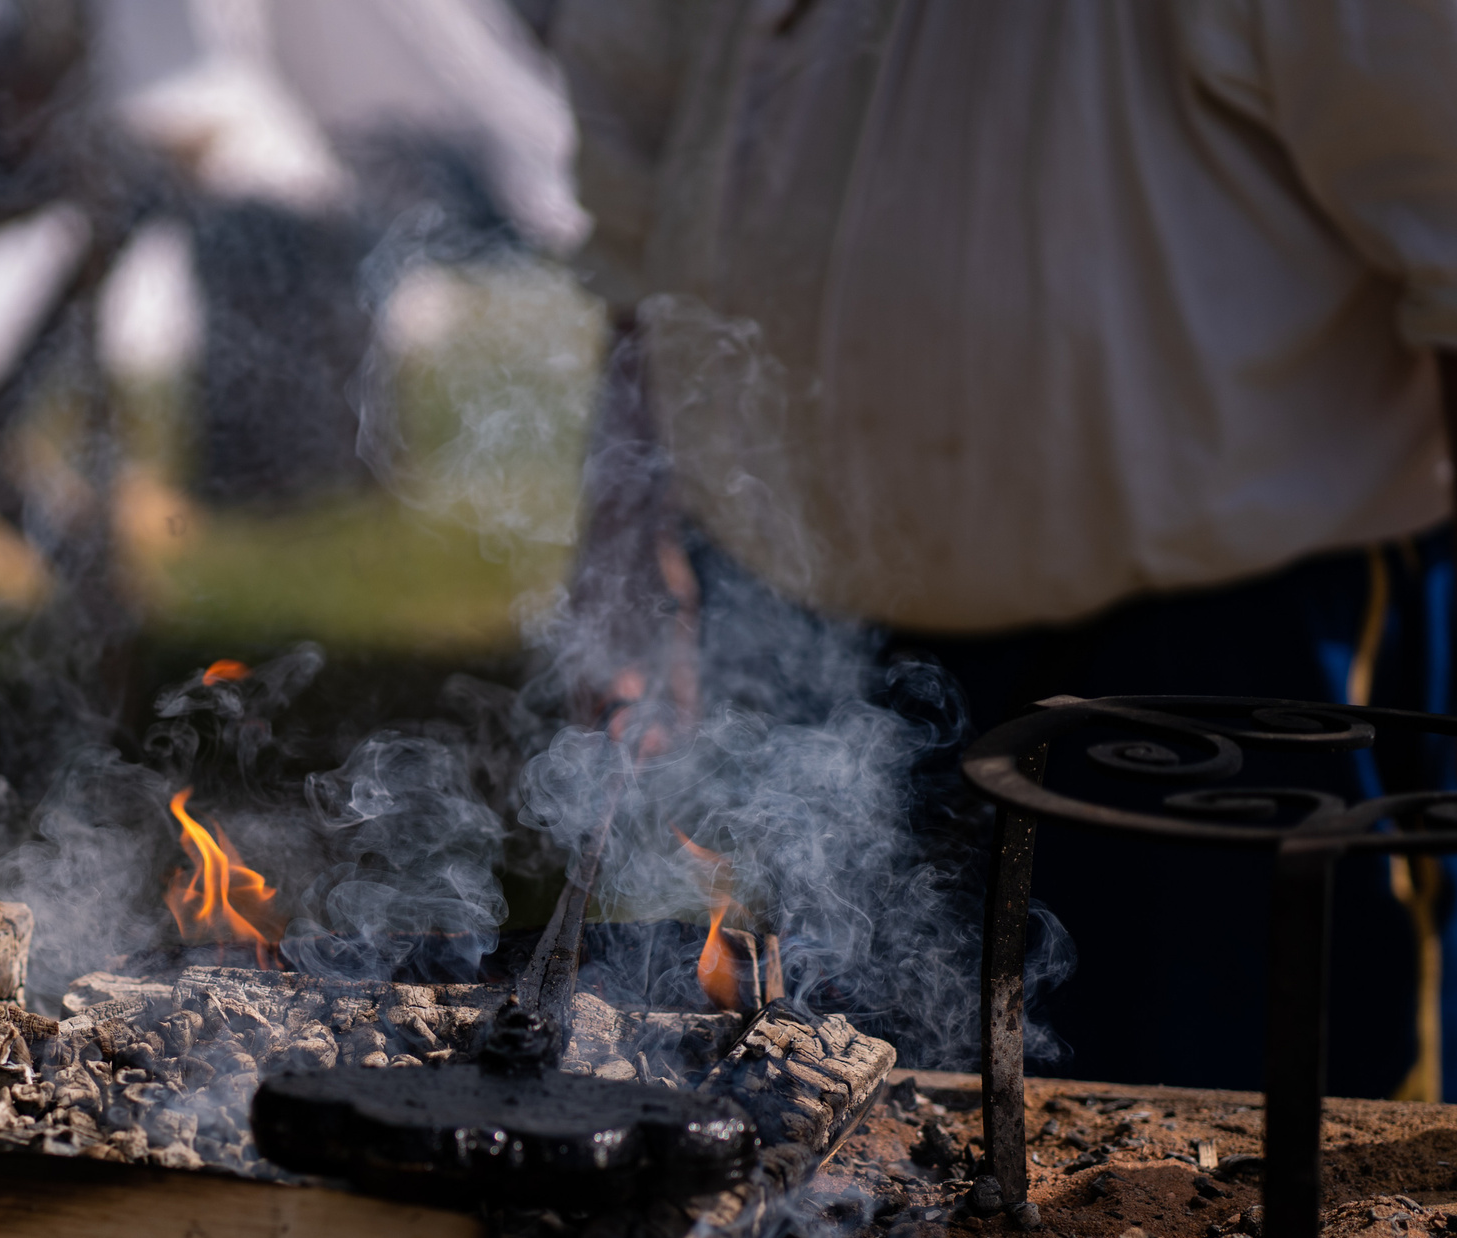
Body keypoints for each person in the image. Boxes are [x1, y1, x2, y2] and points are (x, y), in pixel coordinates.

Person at [541, 0, 1457, 1095]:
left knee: (1225, 1172)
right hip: (801, 637)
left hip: (1224, 661)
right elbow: (641, 175)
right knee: (836, 1157)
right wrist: (629, 536)